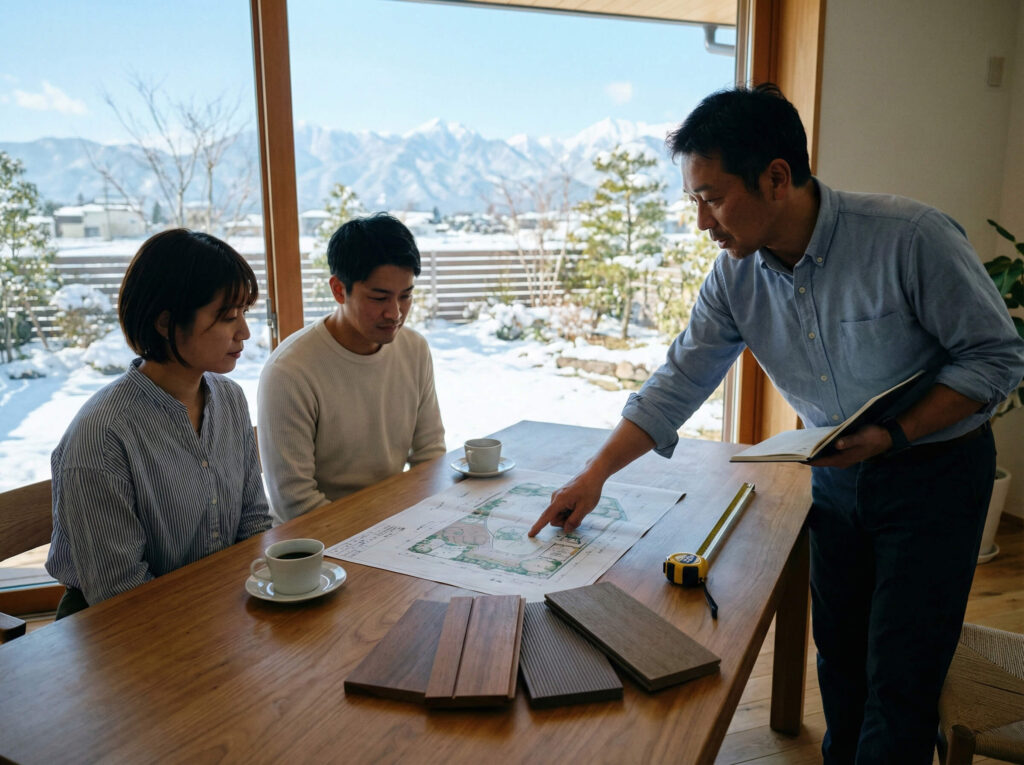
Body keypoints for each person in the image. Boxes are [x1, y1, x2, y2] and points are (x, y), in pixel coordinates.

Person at [529, 84, 1024, 764]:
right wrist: (595, 474)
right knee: (841, 660)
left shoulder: (910, 238)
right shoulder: (734, 276)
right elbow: (679, 378)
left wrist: (895, 433)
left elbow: (997, 356)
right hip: (837, 481)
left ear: (777, 177)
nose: (703, 221)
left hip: (934, 473)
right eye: (692, 200)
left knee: (902, 676)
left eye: (711, 197)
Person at [46, 229, 272, 619]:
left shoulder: (230, 398)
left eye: (244, 314)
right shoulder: (104, 436)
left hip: (216, 605)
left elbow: (253, 522)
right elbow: (120, 592)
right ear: (166, 323)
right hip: (114, 628)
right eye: (227, 317)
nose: (244, 333)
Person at [257, 212, 445, 523]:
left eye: (406, 296)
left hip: (392, 525)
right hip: (315, 544)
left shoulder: (414, 349)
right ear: (338, 290)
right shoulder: (290, 371)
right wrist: (380, 533)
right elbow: (295, 502)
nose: (395, 313)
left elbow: (430, 457)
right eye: (379, 297)